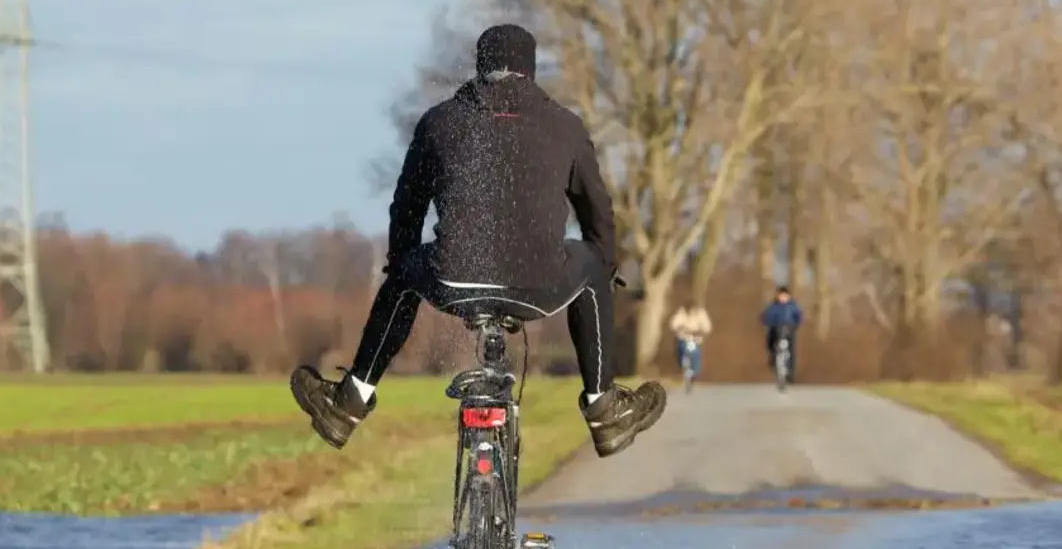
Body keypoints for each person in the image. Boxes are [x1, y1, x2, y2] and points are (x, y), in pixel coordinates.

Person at [289, 24, 668, 458]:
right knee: (593, 263)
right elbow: (597, 212)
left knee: (404, 274)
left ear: (479, 66)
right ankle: (603, 408)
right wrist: (607, 268)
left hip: (453, 280)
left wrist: (402, 260)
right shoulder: (565, 126)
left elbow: (407, 206)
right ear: (530, 70)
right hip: (540, 284)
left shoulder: (439, 121)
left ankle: (350, 401)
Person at [760, 286, 804, 379]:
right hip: (775, 328)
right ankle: (773, 360)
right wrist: (766, 322)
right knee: (771, 344)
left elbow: (799, 316)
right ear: (777, 296)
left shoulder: (792, 306)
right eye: (781, 296)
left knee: (791, 349)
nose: (783, 298)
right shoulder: (773, 306)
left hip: (789, 328)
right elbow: (765, 316)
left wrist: (797, 324)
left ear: (788, 296)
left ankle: (790, 372)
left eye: (785, 296)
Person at [669, 301, 711, 381]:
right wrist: (680, 327)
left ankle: (695, 373)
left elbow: (707, 327)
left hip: (695, 340)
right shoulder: (681, 313)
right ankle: (682, 368)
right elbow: (673, 324)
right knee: (680, 352)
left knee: (695, 354)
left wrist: (700, 331)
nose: (691, 311)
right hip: (683, 338)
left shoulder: (701, 314)